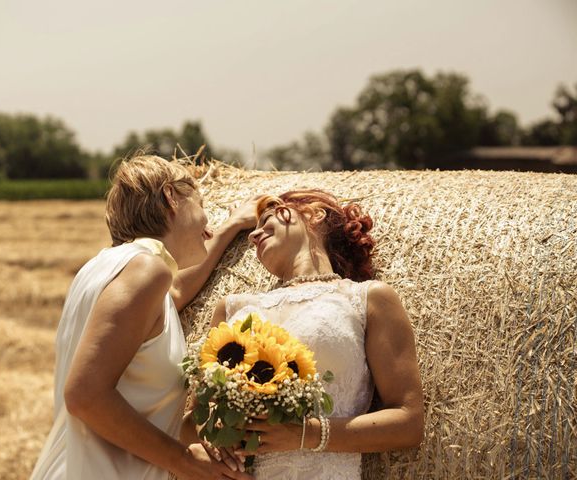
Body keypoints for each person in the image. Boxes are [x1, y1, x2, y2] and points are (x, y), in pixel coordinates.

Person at [30, 154, 255, 480]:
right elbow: (85, 394)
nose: (209, 221)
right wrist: (183, 460)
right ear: (170, 197)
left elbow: (173, 296)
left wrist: (231, 226)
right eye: (201, 201)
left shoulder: (106, 267)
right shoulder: (146, 270)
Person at [191, 189, 424, 479]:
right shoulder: (232, 308)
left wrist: (307, 434)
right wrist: (209, 443)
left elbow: (408, 421)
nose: (254, 235)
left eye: (267, 219)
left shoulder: (367, 299)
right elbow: (193, 417)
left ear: (315, 214)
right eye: (253, 230)